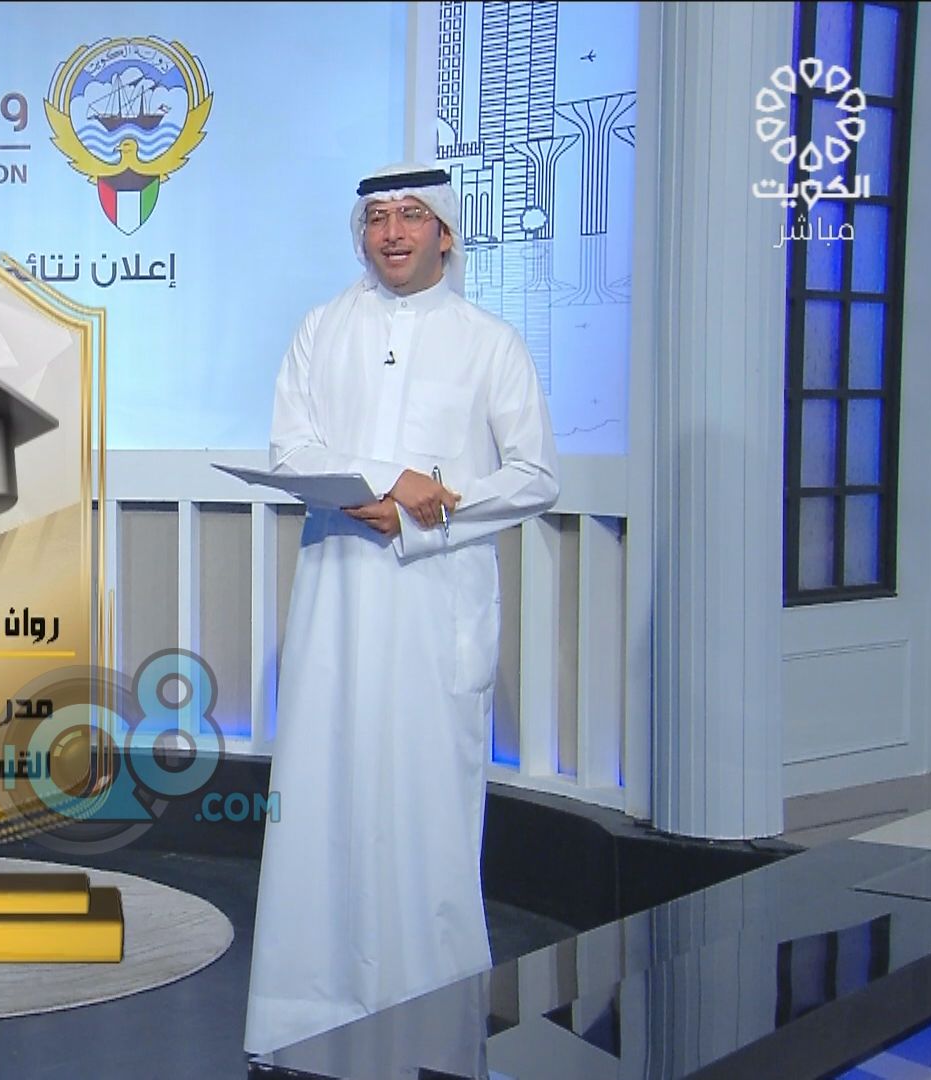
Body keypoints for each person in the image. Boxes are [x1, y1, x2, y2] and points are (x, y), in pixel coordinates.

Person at [243, 163, 560, 1057]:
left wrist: (430, 509)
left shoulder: (489, 342)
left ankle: (433, 1025)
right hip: (338, 595)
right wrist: (387, 484)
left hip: (435, 602)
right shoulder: (321, 329)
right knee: (323, 800)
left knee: (427, 811)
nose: (393, 232)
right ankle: (305, 1017)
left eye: (413, 216)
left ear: (445, 234)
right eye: (379, 217)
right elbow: (292, 449)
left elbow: (536, 475)